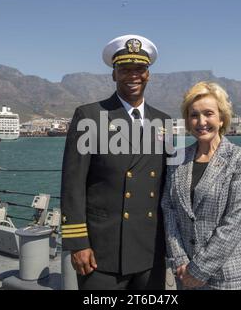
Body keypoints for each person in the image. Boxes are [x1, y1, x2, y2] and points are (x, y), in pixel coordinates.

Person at [60, 34, 170, 290]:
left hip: (150, 250)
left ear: (148, 74)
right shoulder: (90, 115)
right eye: (124, 69)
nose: (133, 75)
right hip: (101, 253)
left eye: (140, 69)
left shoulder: (162, 121)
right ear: (114, 74)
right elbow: (72, 185)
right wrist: (78, 243)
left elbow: (166, 184)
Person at [161, 82, 241, 290]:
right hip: (184, 273)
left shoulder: (240, 158)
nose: (201, 121)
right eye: (194, 115)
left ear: (221, 118)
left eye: (208, 113)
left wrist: (199, 270)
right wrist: (180, 260)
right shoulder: (177, 158)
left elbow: (236, 219)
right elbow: (169, 209)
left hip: (227, 277)